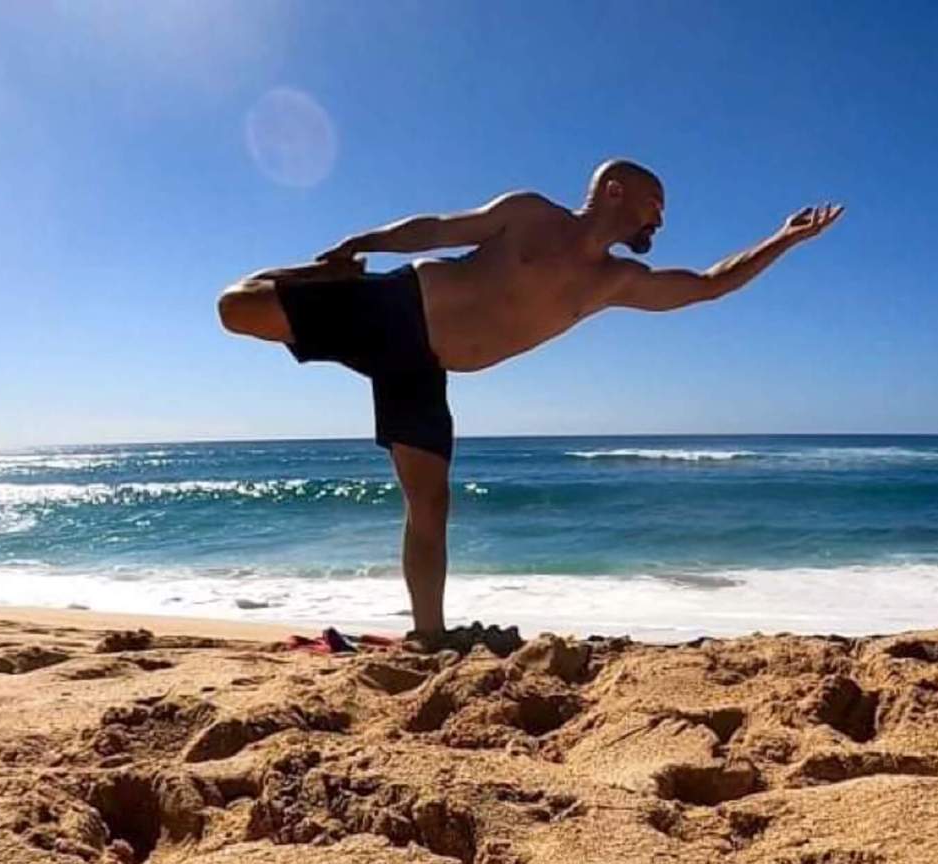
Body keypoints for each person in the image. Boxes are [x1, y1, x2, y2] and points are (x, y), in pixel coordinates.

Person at [217, 159, 844, 653]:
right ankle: (322, 276)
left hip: (422, 368)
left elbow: (710, 286)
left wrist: (783, 240)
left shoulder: (614, 281)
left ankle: (428, 635)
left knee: (431, 501)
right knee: (236, 307)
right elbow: (437, 229)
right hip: (393, 308)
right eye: (657, 204)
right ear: (617, 191)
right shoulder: (527, 214)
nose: (661, 220)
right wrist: (368, 242)